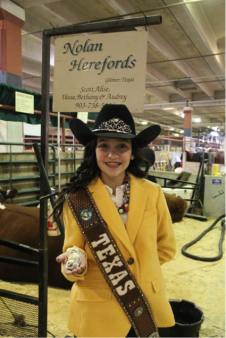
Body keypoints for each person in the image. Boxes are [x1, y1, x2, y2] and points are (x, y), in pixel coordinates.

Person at [54, 104, 176, 338]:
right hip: (96, 308)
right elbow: (72, 250)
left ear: (132, 152)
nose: (112, 154)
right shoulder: (77, 198)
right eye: (104, 146)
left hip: (144, 302)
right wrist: (75, 261)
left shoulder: (153, 192)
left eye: (121, 146)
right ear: (94, 150)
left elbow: (166, 247)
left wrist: (135, 270)